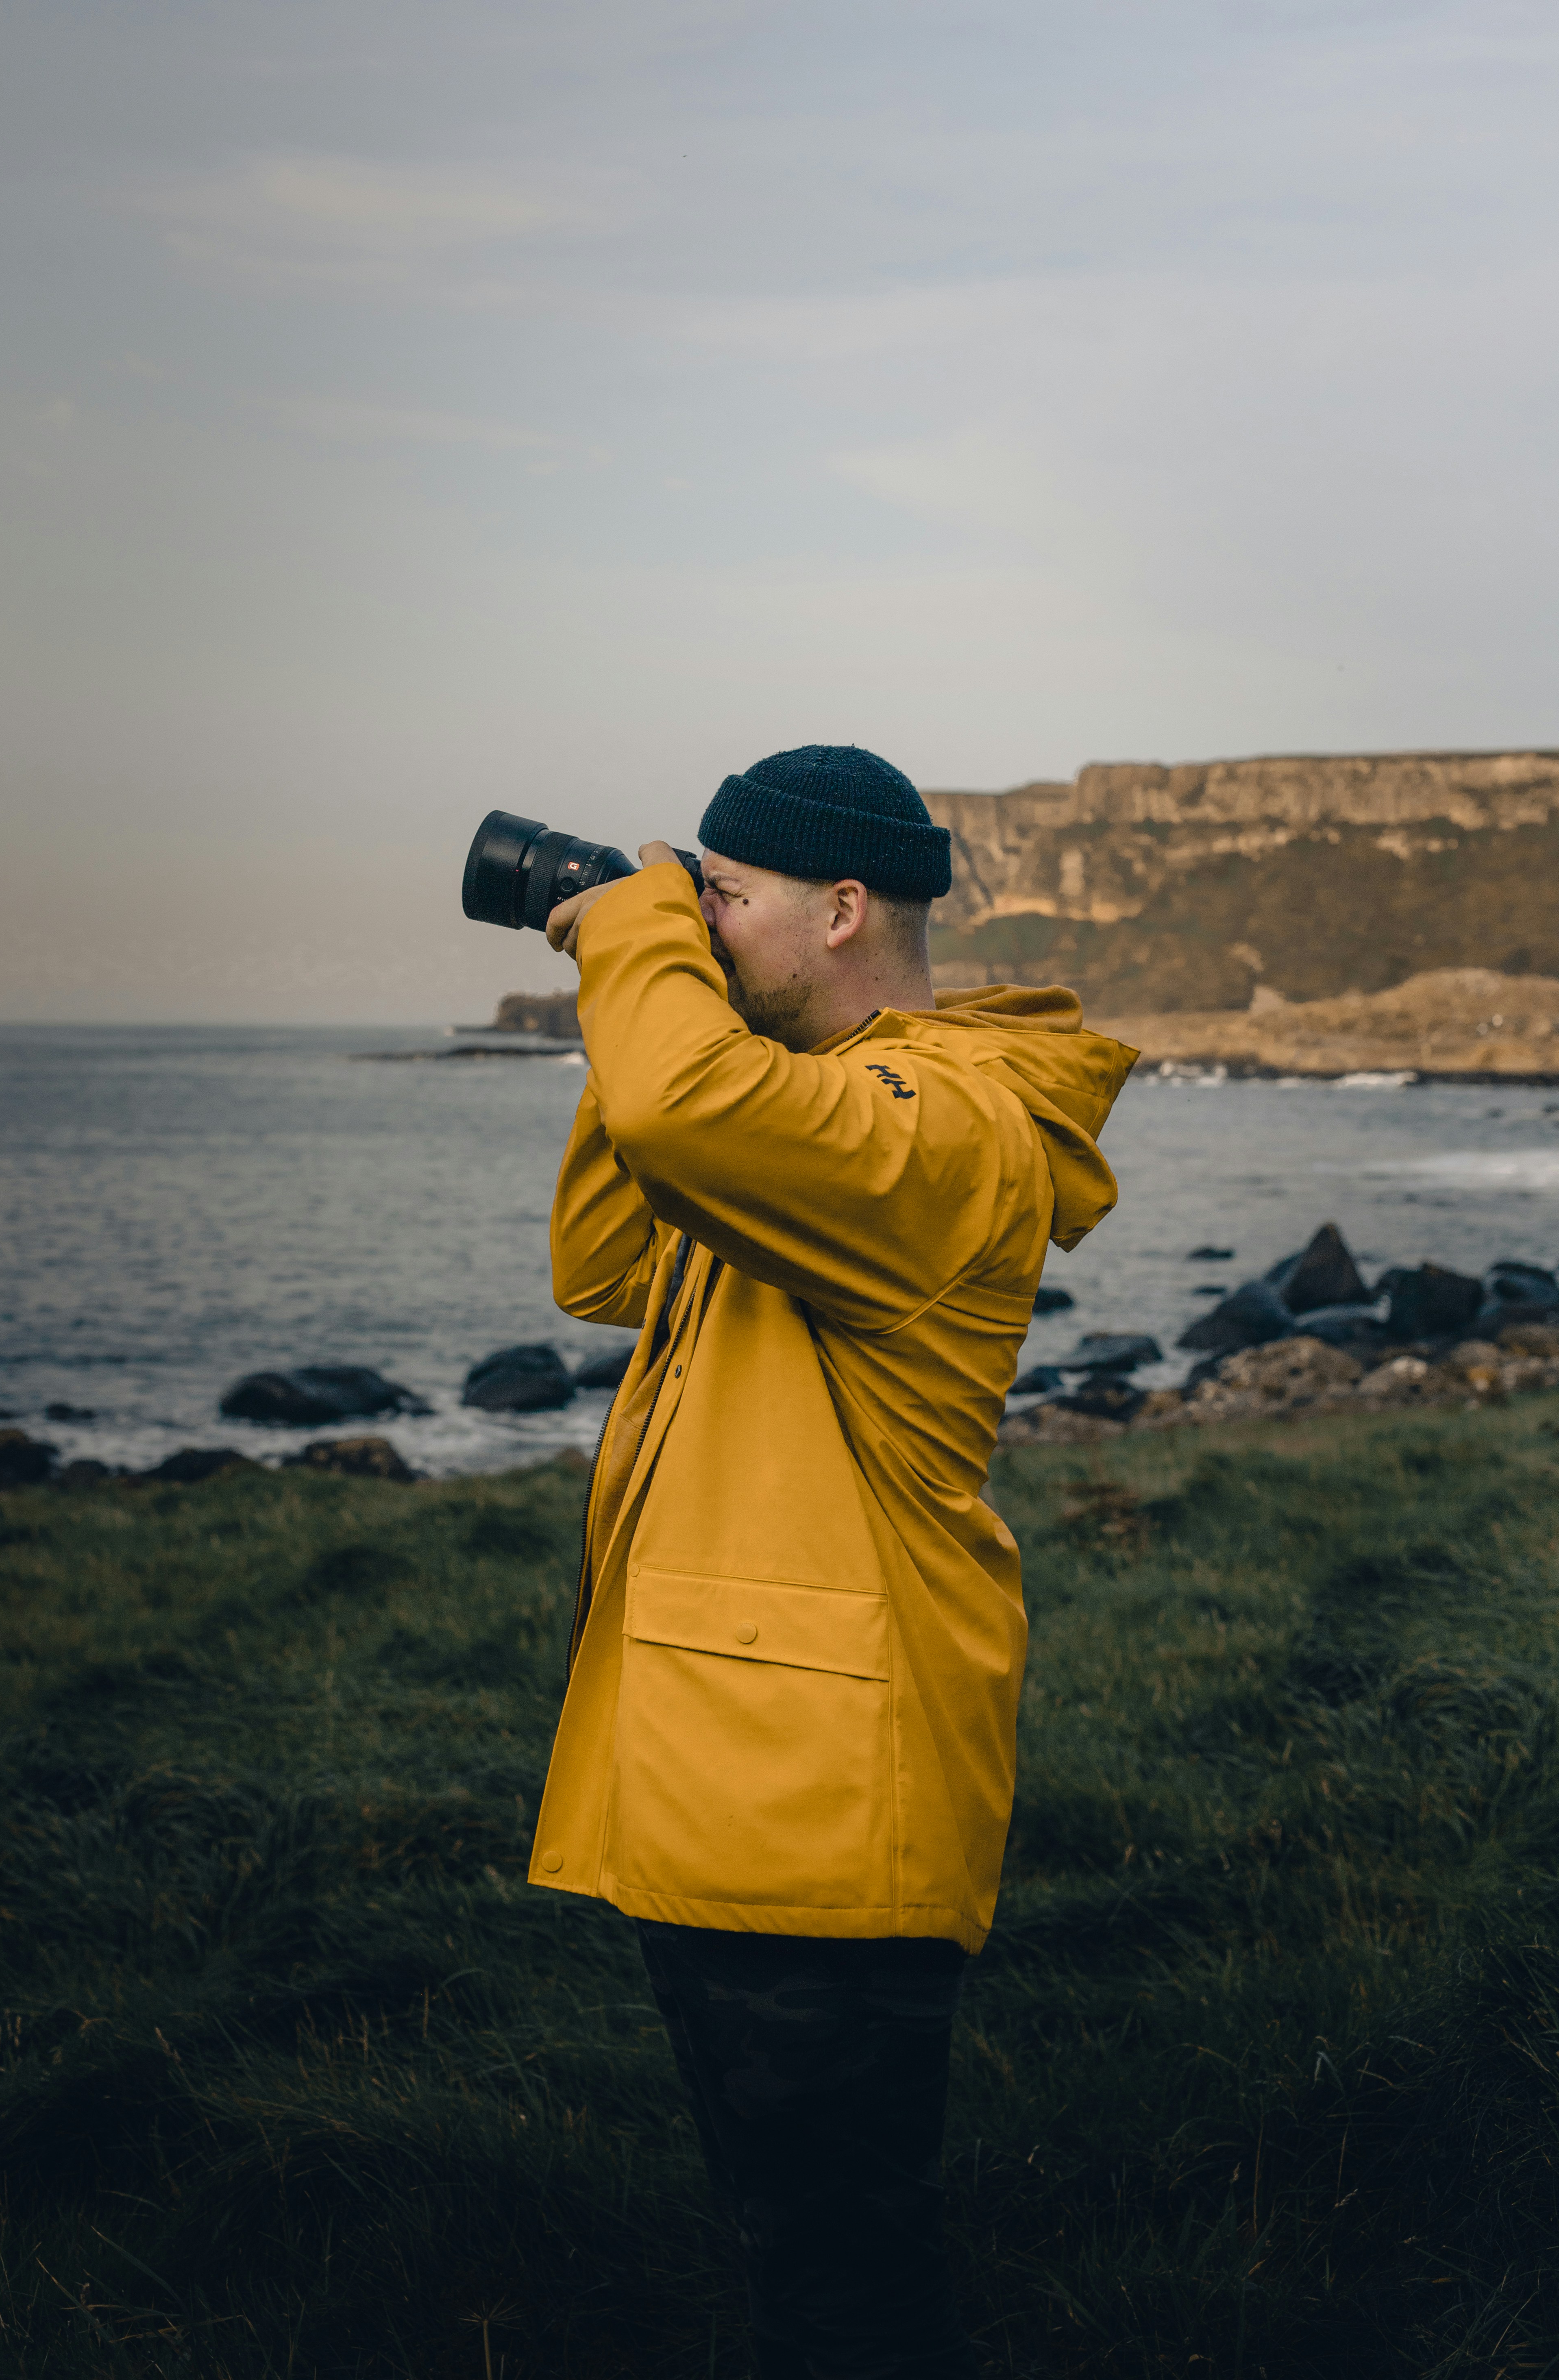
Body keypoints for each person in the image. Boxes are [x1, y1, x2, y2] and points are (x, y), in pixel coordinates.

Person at [526, 744, 1135, 2378]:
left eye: (725, 898)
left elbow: (672, 1106)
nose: (702, 927)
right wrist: (677, 978)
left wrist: (637, 935)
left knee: (847, 2272)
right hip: (744, 1778)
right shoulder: (801, 1123)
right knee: (792, 2238)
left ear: (845, 908)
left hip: (824, 1799)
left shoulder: (943, 1127)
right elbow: (600, 1256)